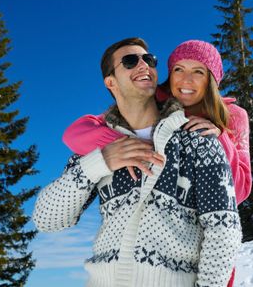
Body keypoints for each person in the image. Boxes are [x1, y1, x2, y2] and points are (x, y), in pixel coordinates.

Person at [33, 38, 241, 287]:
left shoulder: (198, 140)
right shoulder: (98, 149)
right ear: (111, 82)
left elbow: (223, 230)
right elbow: (47, 219)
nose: (143, 65)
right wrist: (101, 161)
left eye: (149, 59)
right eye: (130, 61)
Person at [63, 39, 252, 205]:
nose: (186, 80)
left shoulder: (233, 116)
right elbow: (75, 134)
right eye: (179, 69)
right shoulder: (156, 101)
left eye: (198, 72)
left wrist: (220, 139)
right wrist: (125, 144)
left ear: (211, 80)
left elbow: (240, 192)